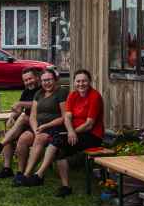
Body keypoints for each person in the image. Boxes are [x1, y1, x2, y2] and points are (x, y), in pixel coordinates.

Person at [24, 69, 104, 197]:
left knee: (58, 143)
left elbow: (89, 124)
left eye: (84, 81)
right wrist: (70, 131)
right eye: (78, 81)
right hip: (74, 132)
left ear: (89, 81)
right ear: (74, 82)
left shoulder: (95, 96)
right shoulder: (73, 95)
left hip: (92, 135)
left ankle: (39, 175)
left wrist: (72, 133)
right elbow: (67, 117)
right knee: (58, 146)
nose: (81, 84)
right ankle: (65, 186)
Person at [14, 67, 68, 186]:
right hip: (38, 128)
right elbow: (33, 116)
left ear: (55, 80)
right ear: (41, 81)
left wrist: (45, 126)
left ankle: (27, 175)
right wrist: (35, 130)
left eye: (49, 80)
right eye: (44, 81)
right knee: (23, 139)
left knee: (39, 139)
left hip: (55, 127)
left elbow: (64, 117)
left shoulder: (61, 92)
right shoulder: (39, 93)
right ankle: (20, 172)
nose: (46, 83)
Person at [0, 67, 41, 179]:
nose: (28, 82)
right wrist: (12, 116)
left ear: (37, 77)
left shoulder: (42, 90)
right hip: (26, 123)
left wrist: (20, 104)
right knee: (8, 135)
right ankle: (7, 168)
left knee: (22, 135)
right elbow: (19, 109)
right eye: (25, 80)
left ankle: (20, 172)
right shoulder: (26, 91)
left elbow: (38, 104)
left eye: (30, 79)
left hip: (38, 124)